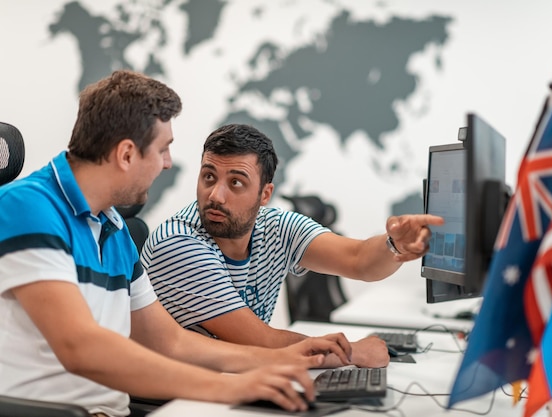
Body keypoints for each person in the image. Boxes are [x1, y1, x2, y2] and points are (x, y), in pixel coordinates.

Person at [0, 71, 354, 417]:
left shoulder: (112, 227)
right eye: (162, 149)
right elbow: (81, 347)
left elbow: (170, 341)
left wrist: (287, 357)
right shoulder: (27, 208)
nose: (167, 164)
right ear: (126, 154)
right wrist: (232, 387)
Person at [141, 123, 445, 368]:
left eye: (235, 183)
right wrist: (351, 353)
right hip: (178, 402)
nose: (216, 195)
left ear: (265, 194)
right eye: (209, 176)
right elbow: (258, 341)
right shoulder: (179, 245)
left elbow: (358, 260)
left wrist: (394, 245)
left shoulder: (276, 227)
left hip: (236, 383)